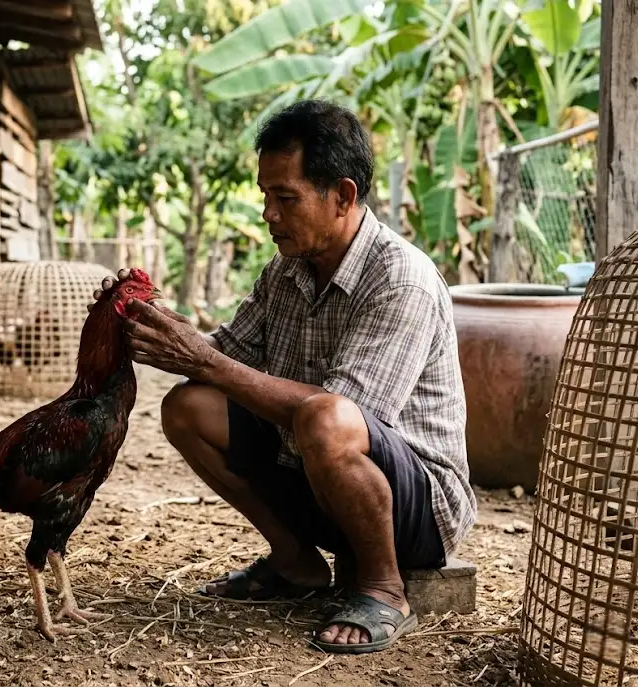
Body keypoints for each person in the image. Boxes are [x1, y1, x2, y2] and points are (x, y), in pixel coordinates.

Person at [90, 98, 477, 655]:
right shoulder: (287, 267)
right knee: (187, 406)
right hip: (318, 478)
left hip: (415, 510)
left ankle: (384, 588)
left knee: (326, 418)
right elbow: (223, 353)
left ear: (342, 196)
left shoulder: (401, 279)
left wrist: (204, 359)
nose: (268, 213)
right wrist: (152, 326)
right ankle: (296, 563)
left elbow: (347, 415)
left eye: (285, 198)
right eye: (266, 195)